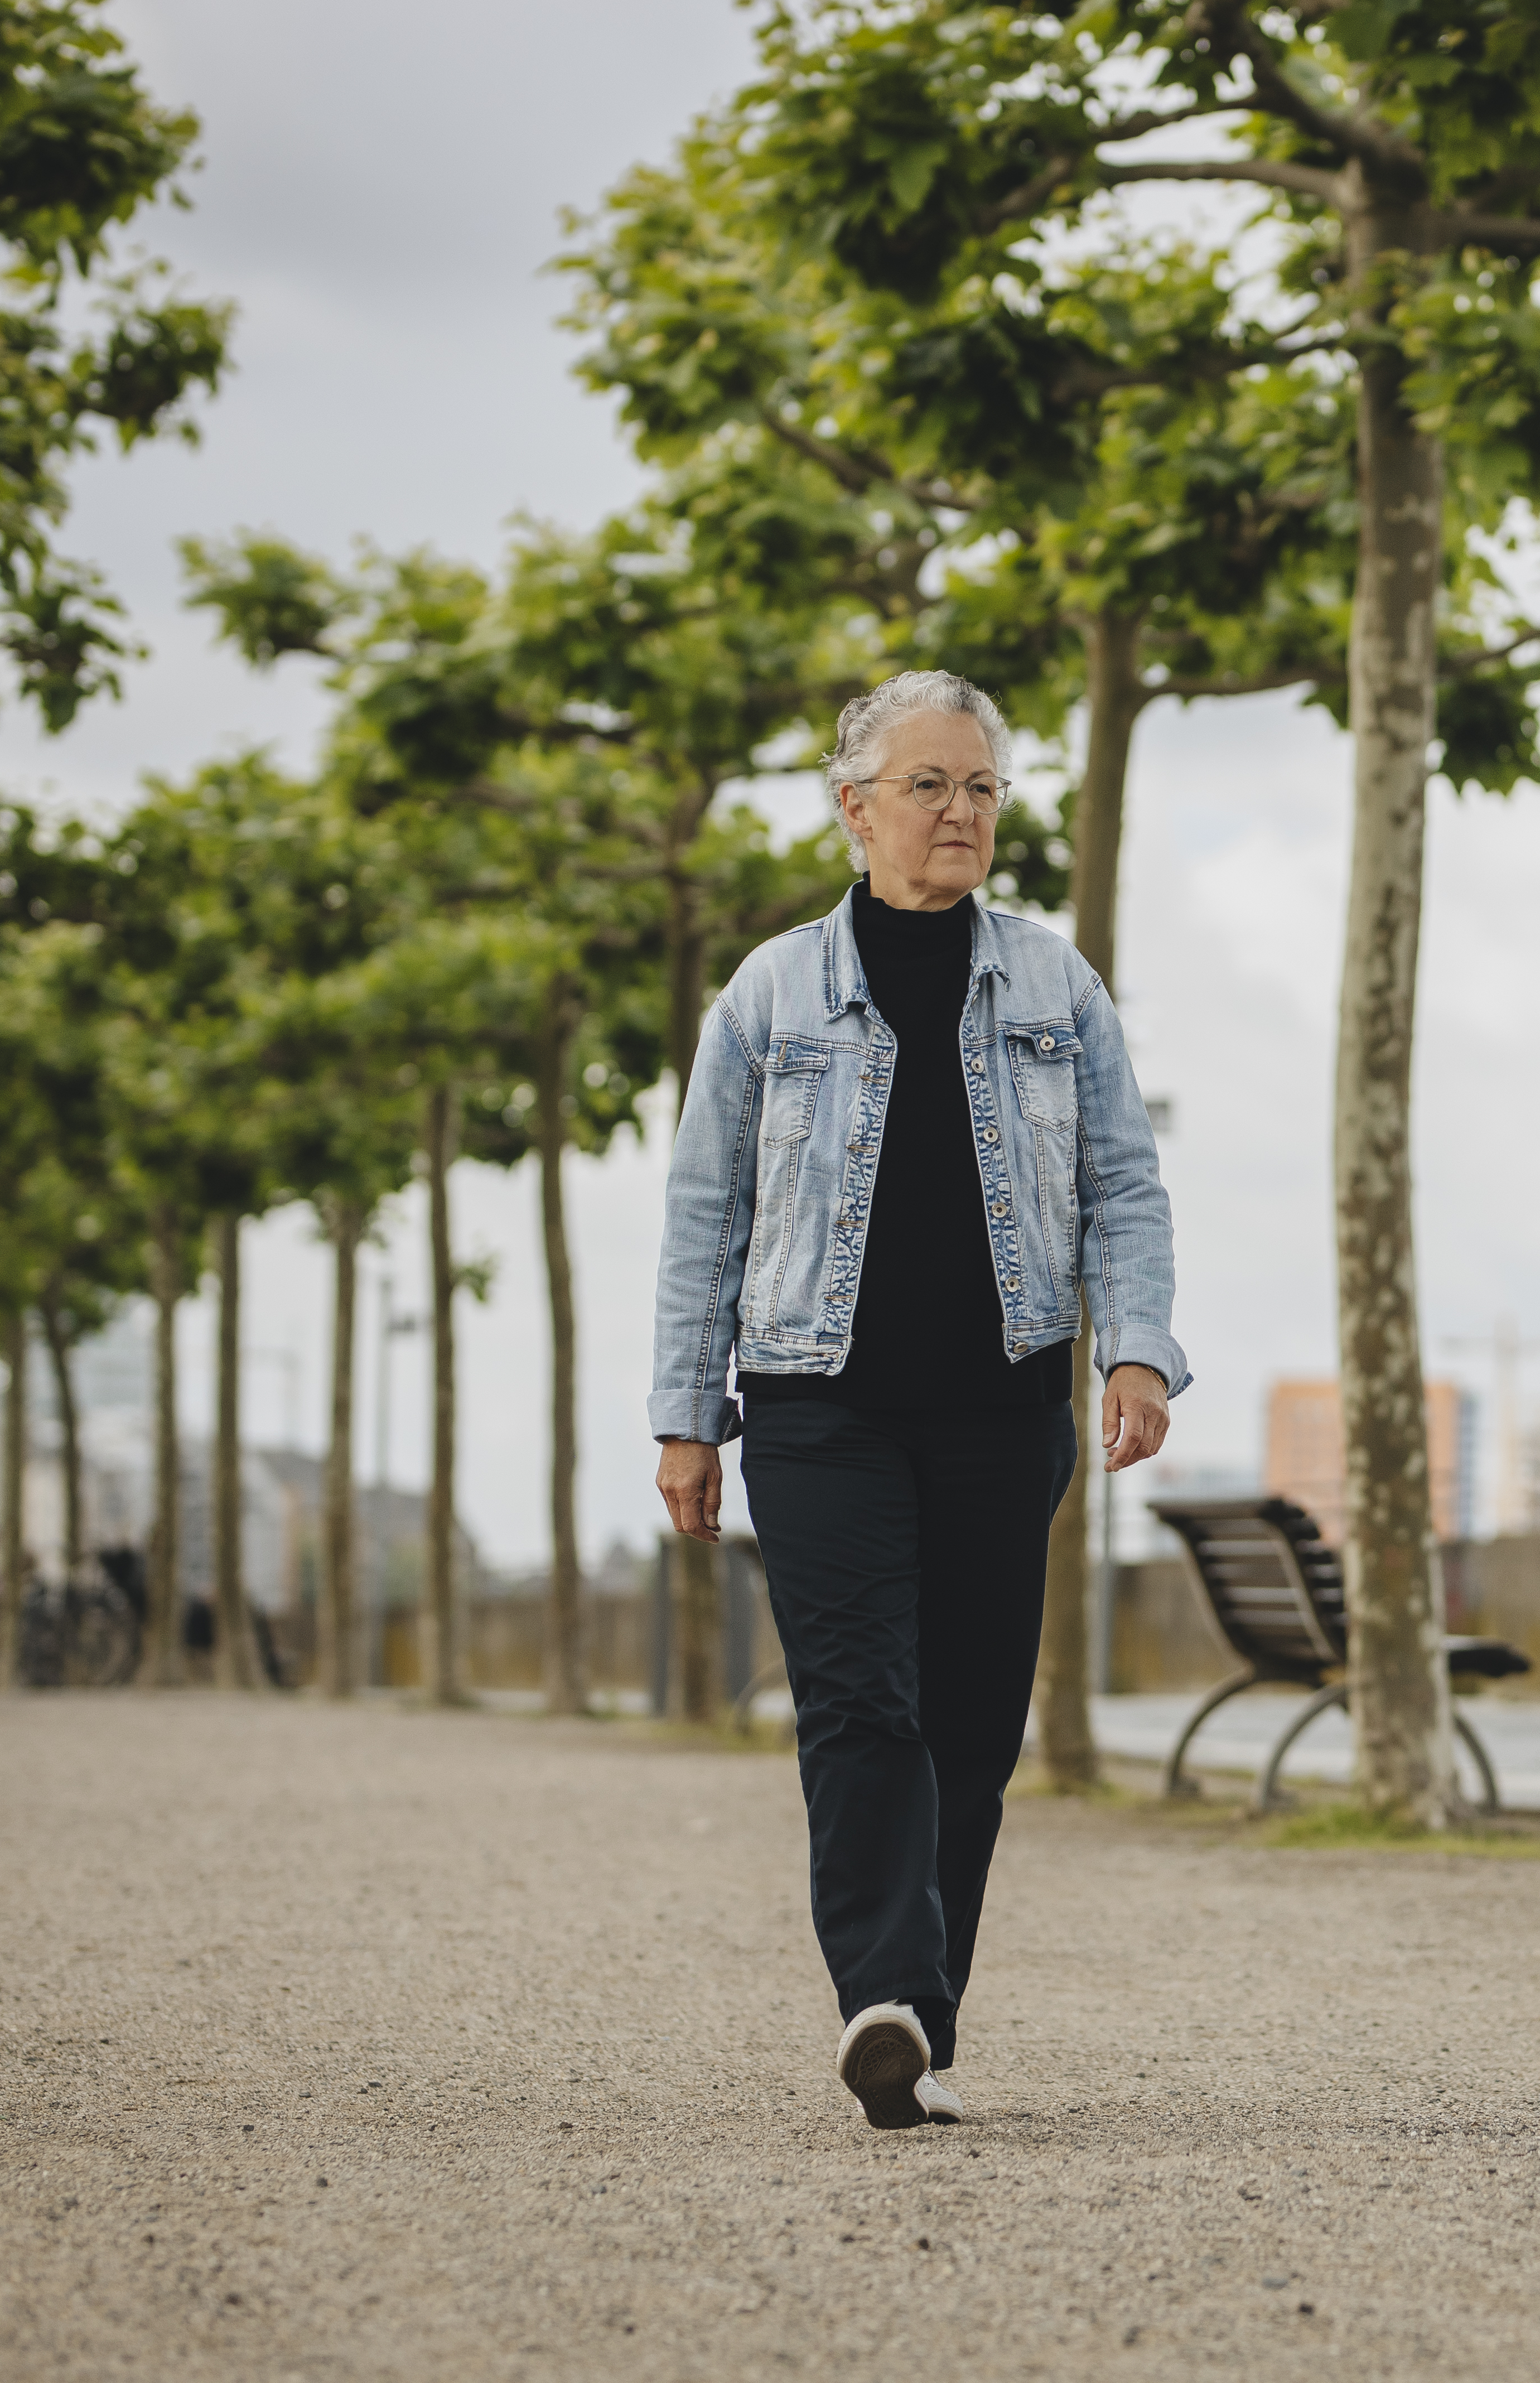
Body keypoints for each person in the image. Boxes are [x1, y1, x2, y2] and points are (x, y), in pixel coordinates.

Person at [648, 668, 1185, 2129]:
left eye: (983, 788)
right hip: (817, 1403)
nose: (961, 813)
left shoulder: (1059, 986)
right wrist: (687, 1416)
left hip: (1003, 1409)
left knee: (971, 1725)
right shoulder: (771, 992)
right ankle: (880, 1991)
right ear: (855, 808)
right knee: (860, 1699)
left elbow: (1124, 1188)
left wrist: (1137, 1347)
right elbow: (706, 1214)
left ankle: (917, 2034)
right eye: (930, 786)